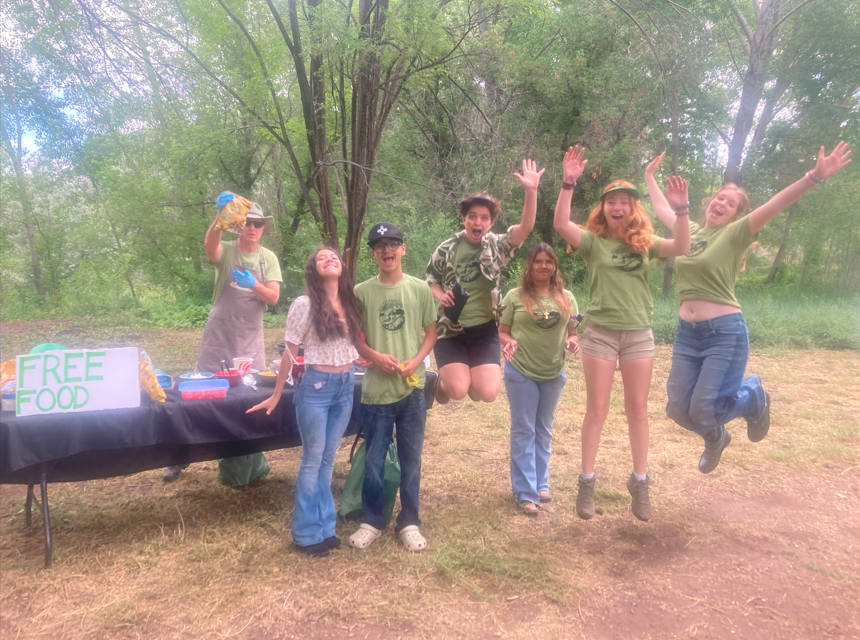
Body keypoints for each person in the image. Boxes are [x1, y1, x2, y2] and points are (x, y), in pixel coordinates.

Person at [666, 142, 852, 473]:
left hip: (723, 333)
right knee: (678, 410)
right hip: (686, 335)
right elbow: (662, 205)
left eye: (731, 202)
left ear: (737, 214)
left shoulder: (736, 233)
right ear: (709, 203)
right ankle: (717, 437)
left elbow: (776, 203)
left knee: (703, 409)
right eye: (719, 197)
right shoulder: (689, 230)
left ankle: (752, 396)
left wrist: (814, 177)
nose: (722, 203)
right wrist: (650, 175)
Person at [553, 147, 690, 522]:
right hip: (598, 333)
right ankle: (586, 482)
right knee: (596, 410)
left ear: (633, 209)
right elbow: (562, 225)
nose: (618, 207)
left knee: (637, 411)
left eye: (625, 202)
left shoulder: (645, 244)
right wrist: (568, 182)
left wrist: (681, 210)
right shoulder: (593, 241)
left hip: (638, 335)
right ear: (603, 208)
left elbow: (681, 246)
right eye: (611, 201)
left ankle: (640, 481)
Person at [247, 247, 363, 557]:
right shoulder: (304, 304)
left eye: (334, 256)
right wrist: (275, 394)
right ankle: (306, 532)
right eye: (321, 257)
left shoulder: (349, 301)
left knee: (327, 459)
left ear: (342, 266)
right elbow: (290, 352)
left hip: (345, 386)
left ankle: (325, 527)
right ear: (313, 269)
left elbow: (350, 346)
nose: (329, 259)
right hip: (316, 387)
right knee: (312, 461)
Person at [162, 193, 282, 484]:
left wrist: (253, 284)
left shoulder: (268, 258)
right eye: (246, 223)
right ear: (239, 225)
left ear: (263, 228)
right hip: (219, 335)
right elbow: (209, 246)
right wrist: (221, 217)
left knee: (249, 399)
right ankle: (181, 457)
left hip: (249, 340)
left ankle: (249, 462)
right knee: (199, 397)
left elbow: (274, 297)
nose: (251, 228)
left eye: (257, 224)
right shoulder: (227, 250)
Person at [349, 222, 438, 552]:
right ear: (373, 253)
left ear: (404, 249)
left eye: (393, 243)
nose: (387, 249)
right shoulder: (361, 292)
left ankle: (410, 521)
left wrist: (416, 361)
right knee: (374, 459)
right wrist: (372, 354)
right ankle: (371, 520)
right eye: (380, 245)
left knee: (411, 458)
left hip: (412, 389)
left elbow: (431, 332)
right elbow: (355, 337)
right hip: (375, 392)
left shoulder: (419, 289)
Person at [427, 160, 545, 406]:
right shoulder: (446, 249)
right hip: (450, 330)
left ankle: (470, 381)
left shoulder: (497, 246)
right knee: (457, 390)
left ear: (491, 223)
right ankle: (440, 383)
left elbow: (526, 227)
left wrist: (530, 191)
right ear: (463, 219)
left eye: (483, 217)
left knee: (488, 393)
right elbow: (430, 280)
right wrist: (440, 295)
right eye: (472, 216)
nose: (477, 222)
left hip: (484, 330)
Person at [498, 243, 580, 516]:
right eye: (537, 261)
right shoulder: (514, 296)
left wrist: (571, 341)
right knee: (524, 430)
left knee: (544, 430)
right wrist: (508, 343)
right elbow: (502, 331)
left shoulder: (566, 297)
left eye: (548, 261)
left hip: (554, 372)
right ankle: (525, 491)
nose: (543, 266)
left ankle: (541, 483)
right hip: (521, 371)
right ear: (529, 266)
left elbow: (573, 332)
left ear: (555, 266)